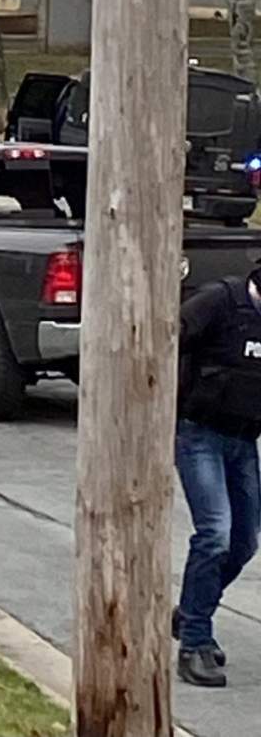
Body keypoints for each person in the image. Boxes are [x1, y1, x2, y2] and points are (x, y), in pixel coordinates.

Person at [173, 268, 261, 687]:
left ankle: (193, 607)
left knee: (244, 542)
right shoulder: (220, 301)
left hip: (243, 441)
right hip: (199, 433)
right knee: (215, 534)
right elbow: (165, 340)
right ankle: (194, 643)